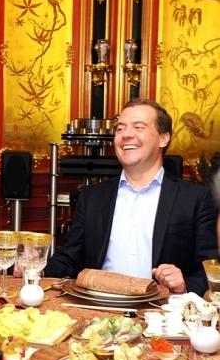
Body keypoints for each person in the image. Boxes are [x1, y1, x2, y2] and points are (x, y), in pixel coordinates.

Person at [43, 99, 219, 295]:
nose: (126, 134)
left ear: (163, 138)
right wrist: (35, 269)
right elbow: (69, 258)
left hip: (160, 310)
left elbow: (210, 271)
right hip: (98, 308)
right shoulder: (92, 197)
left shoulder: (195, 199)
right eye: (120, 128)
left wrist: (184, 283)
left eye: (138, 127)